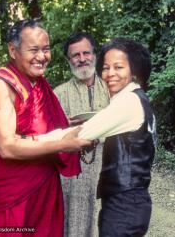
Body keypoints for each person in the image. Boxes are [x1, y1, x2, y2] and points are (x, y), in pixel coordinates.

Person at [0, 19, 91, 237]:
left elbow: (39, 134)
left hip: (45, 184)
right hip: (11, 191)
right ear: (12, 49)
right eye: (33, 49)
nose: (42, 56)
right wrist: (63, 143)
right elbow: (7, 147)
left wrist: (72, 131)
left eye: (46, 49)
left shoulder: (39, 83)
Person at [45, 37, 156, 236]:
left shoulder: (128, 100)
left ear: (133, 70)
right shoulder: (135, 97)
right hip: (121, 196)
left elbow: (84, 132)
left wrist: (32, 141)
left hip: (124, 200)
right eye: (106, 68)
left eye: (118, 67)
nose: (110, 74)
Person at [54, 32, 109, 237]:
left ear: (95, 55)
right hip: (73, 176)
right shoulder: (58, 94)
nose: (82, 58)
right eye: (75, 55)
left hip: (107, 169)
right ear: (68, 60)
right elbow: (50, 136)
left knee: (105, 221)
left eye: (86, 52)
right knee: (73, 223)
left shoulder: (111, 88)